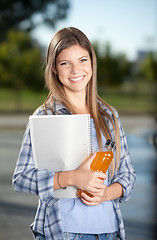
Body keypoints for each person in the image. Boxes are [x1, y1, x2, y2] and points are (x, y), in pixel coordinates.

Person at [12, 27, 136, 240]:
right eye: (65, 63)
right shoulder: (44, 116)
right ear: (54, 69)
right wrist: (72, 178)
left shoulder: (110, 116)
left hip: (109, 231)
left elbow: (128, 176)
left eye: (82, 60)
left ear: (91, 63)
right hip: (63, 232)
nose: (75, 70)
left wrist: (105, 193)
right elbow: (21, 178)